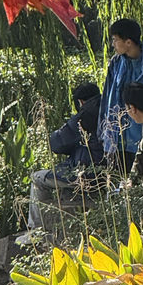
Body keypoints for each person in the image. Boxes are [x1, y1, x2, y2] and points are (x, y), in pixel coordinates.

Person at [27, 82, 104, 231]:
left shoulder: (85, 115)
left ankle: (36, 230)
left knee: (37, 178)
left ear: (80, 102)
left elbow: (56, 144)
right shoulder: (108, 109)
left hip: (83, 174)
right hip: (105, 175)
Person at [98, 18, 143, 174]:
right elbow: (106, 99)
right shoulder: (115, 64)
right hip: (117, 138)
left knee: (142, 183)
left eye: (115, 40)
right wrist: (103, 131)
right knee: (118, 184)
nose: (113, 44)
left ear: (128, 42)